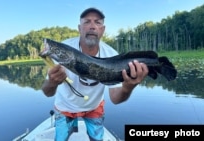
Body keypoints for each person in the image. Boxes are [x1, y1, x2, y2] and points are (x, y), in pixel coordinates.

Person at [41, 7, 148, 141]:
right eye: (87, 22)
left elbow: (115, 98)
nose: (92, 26)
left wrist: (128, 88)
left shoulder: (111, 55)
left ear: (102, 30)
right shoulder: (63, 48)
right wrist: (52, 82)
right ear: (79, 28)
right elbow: (47, 92)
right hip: (65, 108)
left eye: (97, 22)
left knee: (97, 138)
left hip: (94, 108)